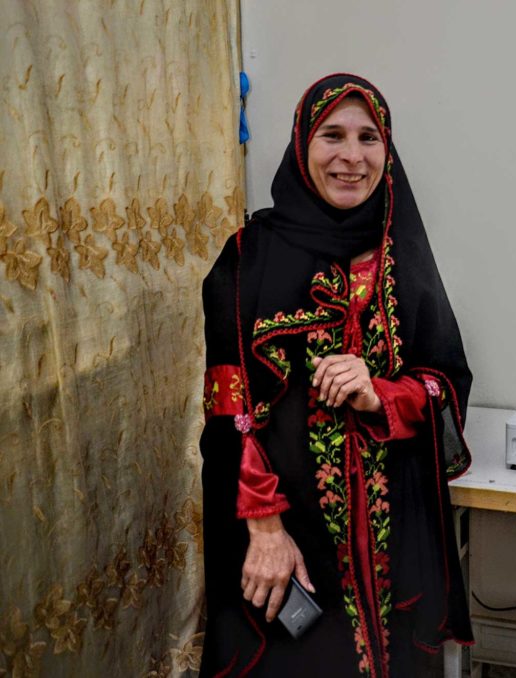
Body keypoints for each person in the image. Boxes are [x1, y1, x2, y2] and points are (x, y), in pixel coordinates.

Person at [198, 73, 473, 677]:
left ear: (387, 151)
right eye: (333, 135)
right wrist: (265, 531)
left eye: (369, 138)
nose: (352, 157)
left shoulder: (403, 259)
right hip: (287, 541)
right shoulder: (247, 259)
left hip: (394, 541)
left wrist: (382, 392)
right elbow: (228, 409)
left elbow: (446, 386)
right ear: (302, 144)